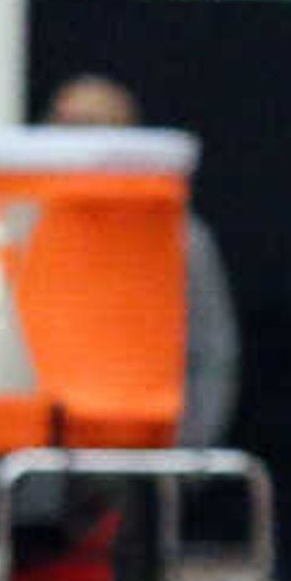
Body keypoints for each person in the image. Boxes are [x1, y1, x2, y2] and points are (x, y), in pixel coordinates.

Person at [47, 74, 239, 445]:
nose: (70, 139)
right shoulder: (22, 224)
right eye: (61, 123)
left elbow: (212, 351)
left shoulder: (179, 237)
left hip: (145, 449)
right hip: (40, 449)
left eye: (87, 126)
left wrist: (190, 450)